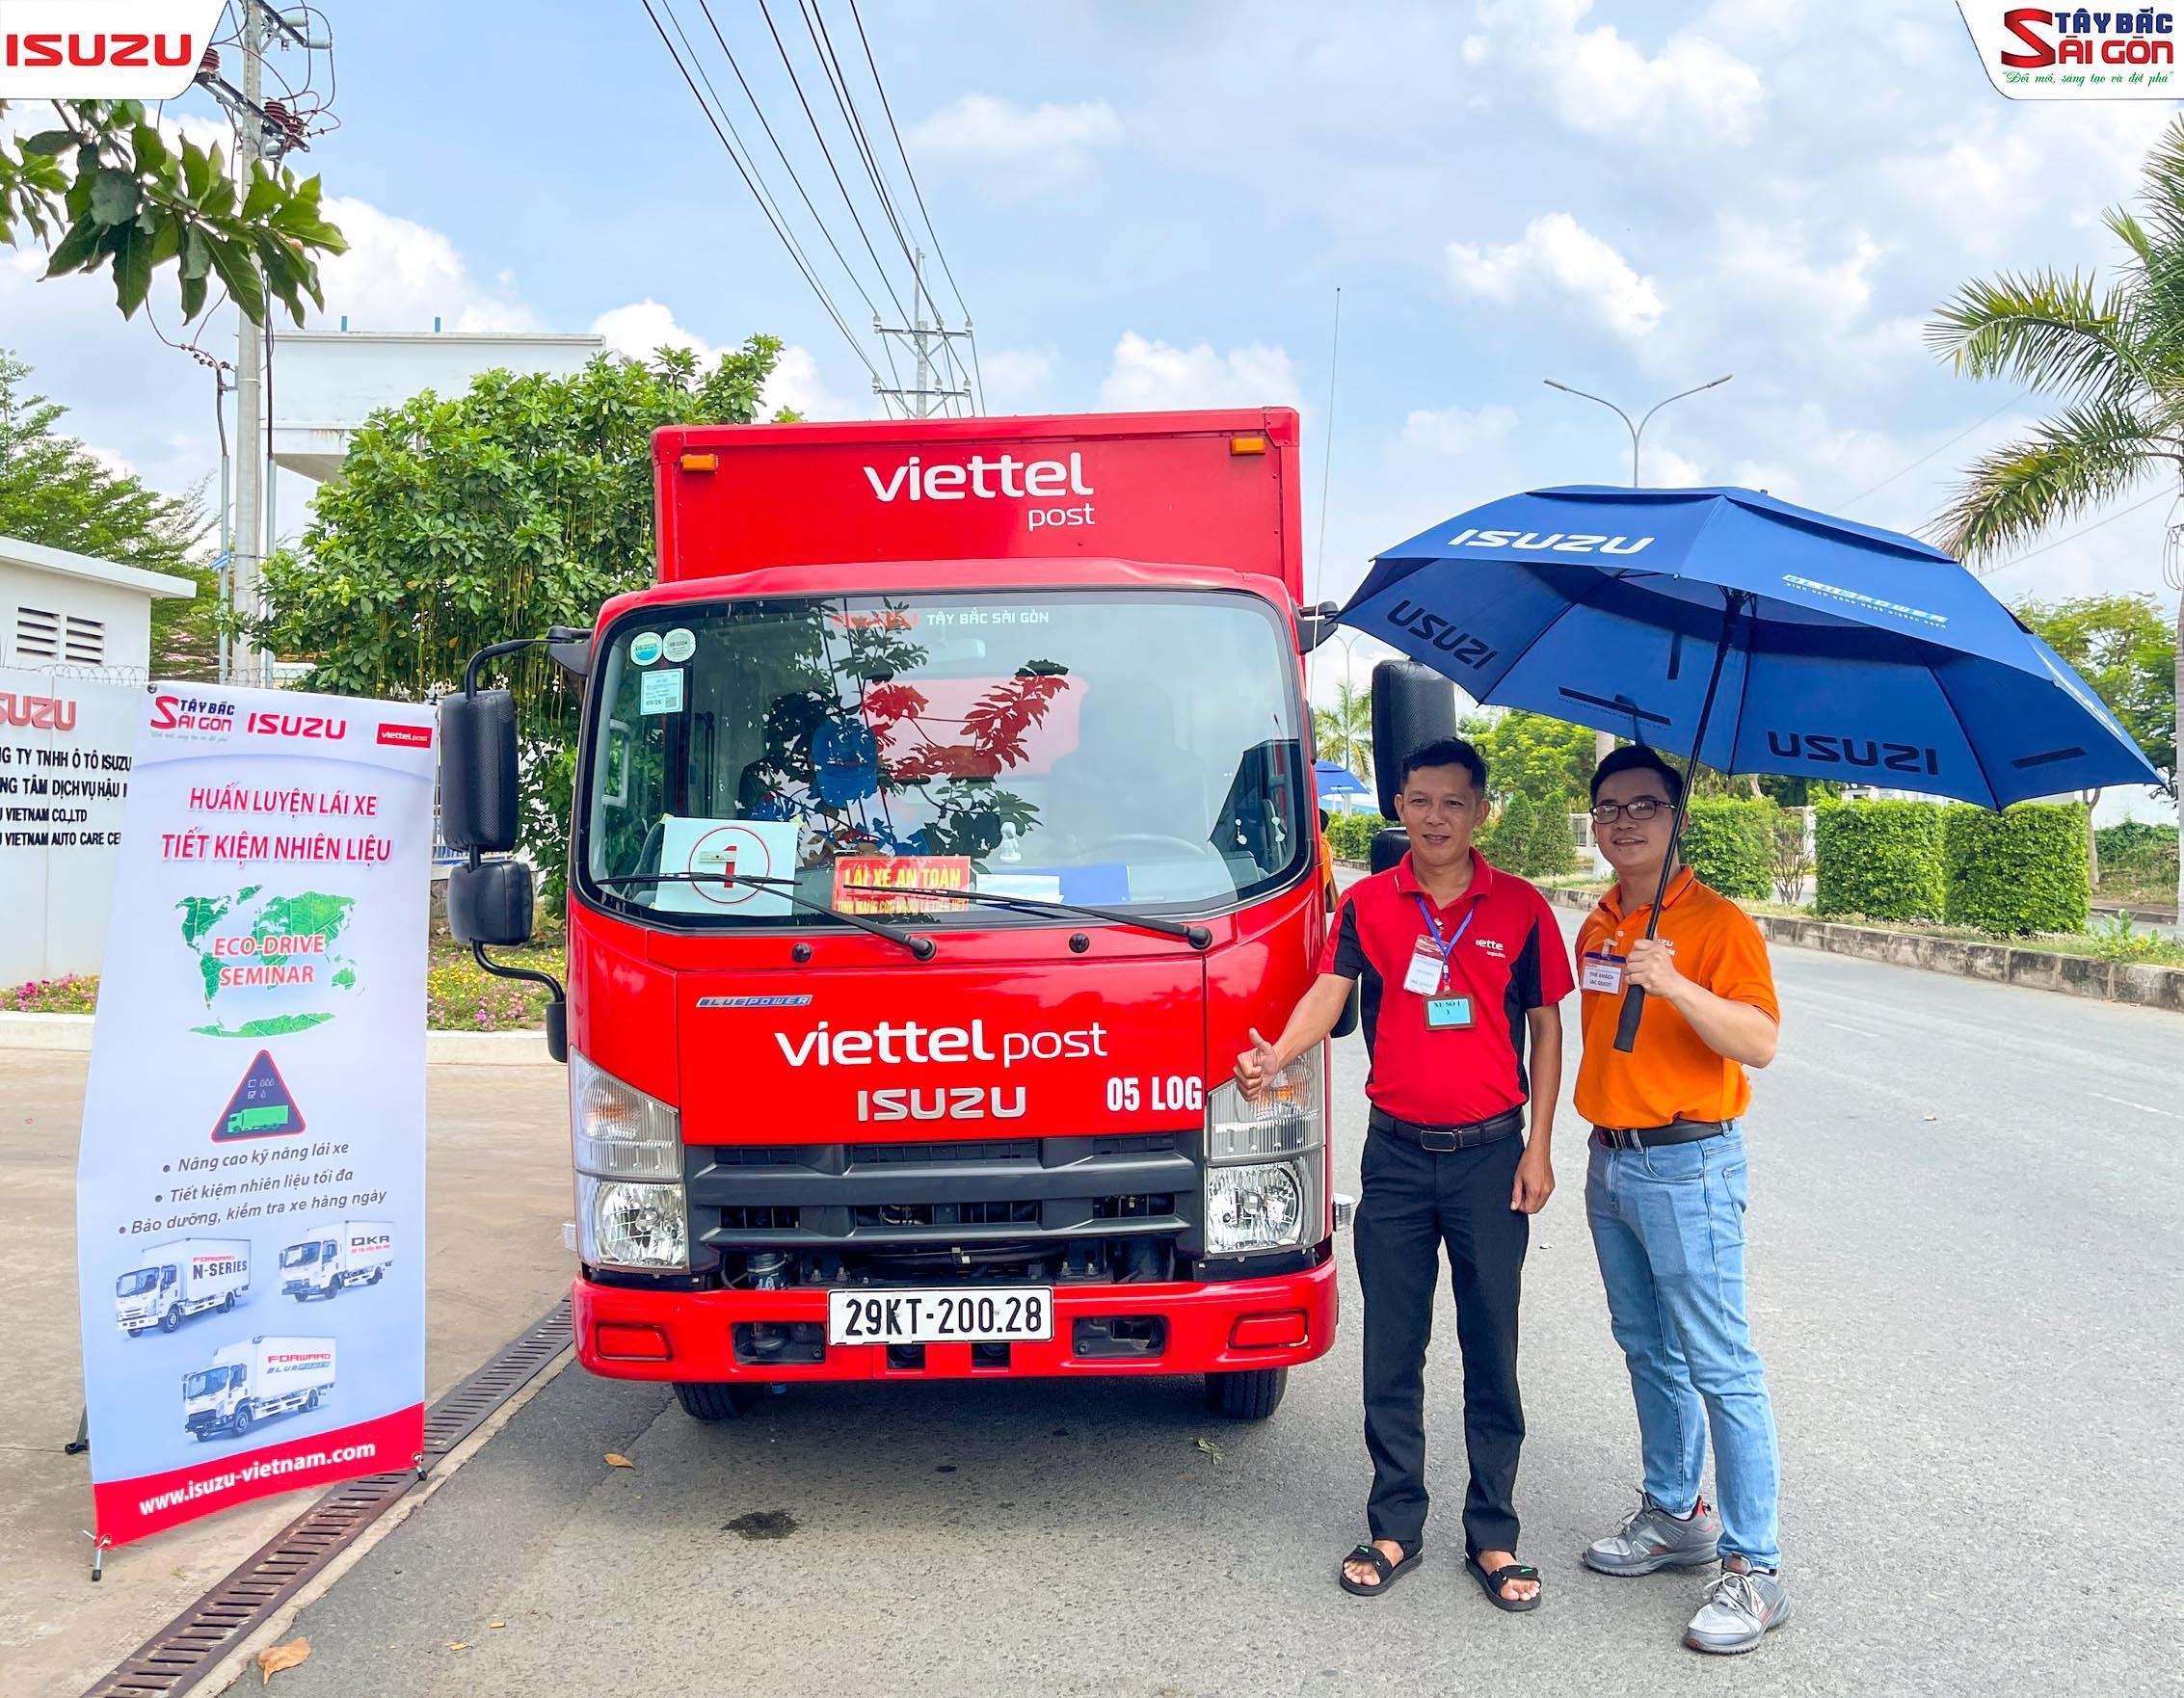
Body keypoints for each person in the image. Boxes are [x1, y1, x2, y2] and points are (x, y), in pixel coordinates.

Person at [1236, 737, 1571, 1611]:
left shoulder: (1522, 908)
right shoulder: (1369, 904)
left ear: (1480, 811)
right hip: (1394, 1158)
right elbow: (1328, 992)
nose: (1436, 817)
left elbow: (1546, 1029)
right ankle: (1394, 1524)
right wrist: (1277, 1056)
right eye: (1420, 800)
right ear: (1400, 808)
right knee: (1392, 1346)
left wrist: (1539, 1146)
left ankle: (1493, 1533)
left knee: (1491, 1347)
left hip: (1491, 1157)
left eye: (1454, 802)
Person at [1572, 744, 1789, 1656]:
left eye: (1645, 806)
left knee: (1720, 1364)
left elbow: (1759, 1041)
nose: (1625, 822)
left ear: (1678, 818)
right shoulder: (1598, 922)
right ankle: (1674, 1512)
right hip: (1612, 1162)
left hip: (1689, 1165)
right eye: (1610, 807)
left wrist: (1672, 981)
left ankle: (1754, 1566)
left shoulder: (1718, 925)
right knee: (1646, 1348)